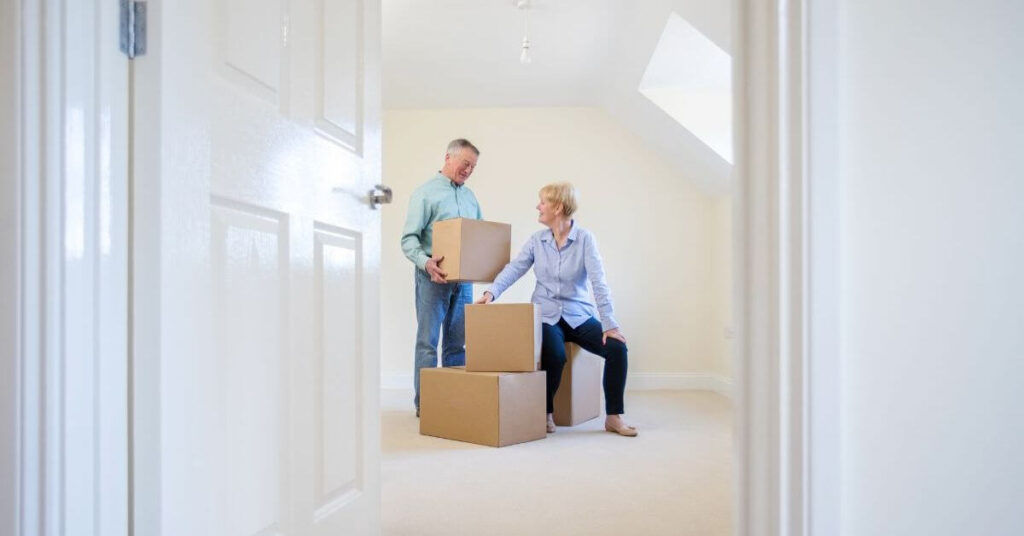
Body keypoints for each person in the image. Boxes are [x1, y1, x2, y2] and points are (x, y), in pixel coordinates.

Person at [475, 182, 637, 436]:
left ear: (558, 207)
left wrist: (609, 324)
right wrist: (491, 292)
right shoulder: (537, 240)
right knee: (555, 354)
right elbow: (515, 268)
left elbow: (598, 282)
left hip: (579, 315)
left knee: (618, 348)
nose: (537, 207)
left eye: (542, 202)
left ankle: (614, 417)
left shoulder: (585, 240)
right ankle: (545, 413)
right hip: (547, 315)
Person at [401, 138, 482, 417]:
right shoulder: (424, 194)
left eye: (473, 166)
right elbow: (408, 239)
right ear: (448, 158)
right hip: (432, 280)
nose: (469, 170)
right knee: (427, 343)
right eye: (465, 164)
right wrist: (426, 263)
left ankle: (455, 400)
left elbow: (479, 236)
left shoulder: (471, 197)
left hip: (464, 282)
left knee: (457, 344)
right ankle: (427, 405)